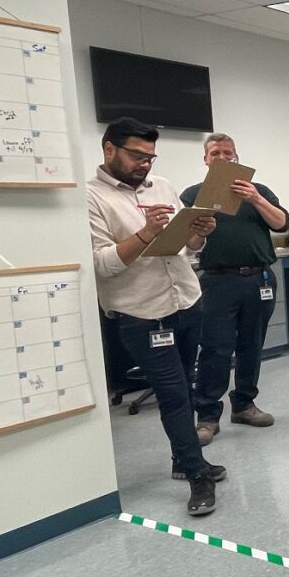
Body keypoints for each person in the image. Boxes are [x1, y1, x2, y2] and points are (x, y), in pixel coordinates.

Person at [86, 117, 226, 516]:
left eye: (150, 156)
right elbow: (103, 264)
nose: (144, 164)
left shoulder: (162, 187)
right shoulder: (91, 197)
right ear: (109, 149)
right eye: (136, 155)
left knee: (185, 385)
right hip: (142, 313)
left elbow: (189, 245)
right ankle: (197, 473)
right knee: (173, 394)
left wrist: (201, 230)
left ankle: (183, 460)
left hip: (185, 301)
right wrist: (146, 233)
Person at [181, 133, 289, 445]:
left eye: (229, 153)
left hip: (259, 279)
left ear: (237, 157)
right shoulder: (193, 194)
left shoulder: (260, 191)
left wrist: (256, 198)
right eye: (216, 153)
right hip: (218, 280)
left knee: (251, 345)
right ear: (206, 160)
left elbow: (281, 223)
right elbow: (191, 243)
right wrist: (203, 230)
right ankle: (207, 416)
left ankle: (244, 404)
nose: (224, 158)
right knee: (216, 348)